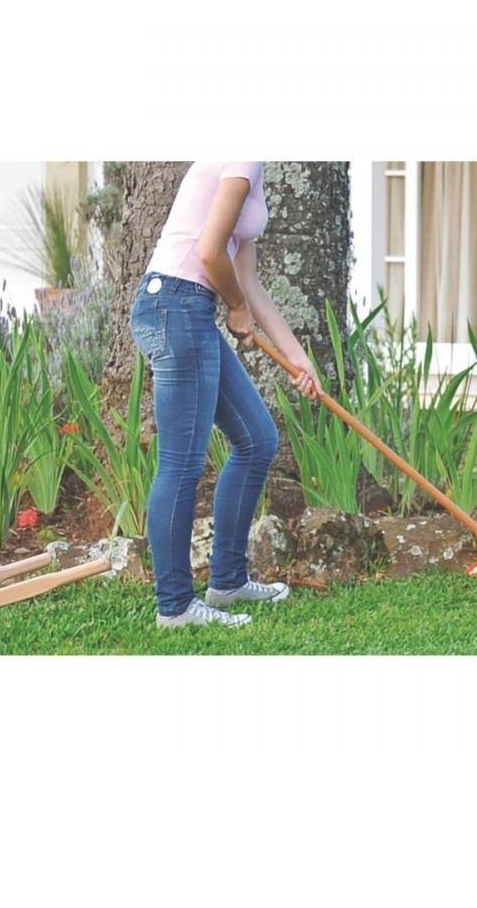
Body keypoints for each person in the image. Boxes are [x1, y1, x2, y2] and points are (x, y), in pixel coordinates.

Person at [129, 161, 323, 629]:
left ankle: (228, 581)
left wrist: (296, 356)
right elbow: (210, 251)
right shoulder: (240, 155)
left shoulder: (253, 170)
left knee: (257, 439)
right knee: (181, 462)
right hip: (175, 304)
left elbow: (247, 279)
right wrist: (234, 307)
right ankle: (174, 606)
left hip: (187, 308)